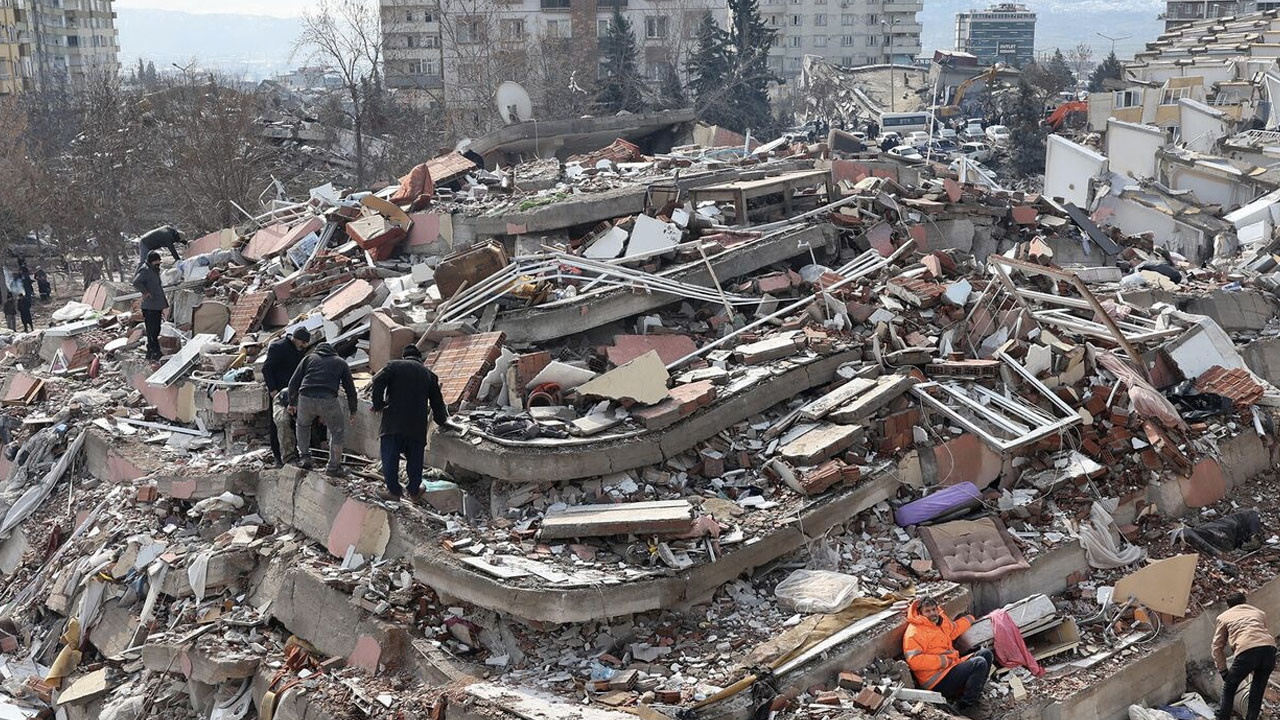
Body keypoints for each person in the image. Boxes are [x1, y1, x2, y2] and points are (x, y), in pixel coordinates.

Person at [370, 344, 455, 502]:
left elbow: (377, 380)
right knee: (415, 460)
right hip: (416, 426)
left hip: (393, 423)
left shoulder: (393, 366)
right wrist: (442, 421)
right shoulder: (429, 375)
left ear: (404, 356)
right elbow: (437, 402)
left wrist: (378, 404)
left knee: (390, 457)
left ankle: (394, 491)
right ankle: (414, 491)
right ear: (420, 359)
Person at [903, 597, 992, 712]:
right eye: (928, 611)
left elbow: (953, 630)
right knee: (979, 663)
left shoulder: (939, 620)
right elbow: (914, 662)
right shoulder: (914, 633)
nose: (932, 613)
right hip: (936, 681)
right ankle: (965, 706)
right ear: (920, 613)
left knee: (986, 654)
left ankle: (970, 695)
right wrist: (944, 661)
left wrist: (970, 618)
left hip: (950, 668)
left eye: (934, 609)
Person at [287, 342, 357, 477]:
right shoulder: (340, 362)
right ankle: (333, 467)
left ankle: (305, 457)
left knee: (302, 426)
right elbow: (350, 390)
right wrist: (352, 411)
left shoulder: (308, 359)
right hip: (328, 399)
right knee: (337, 432)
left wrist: (292, 403)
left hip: (305, 397)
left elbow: (293, 382)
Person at [1214, 591, 1277, 720]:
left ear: (1228, 606)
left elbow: (1217, 647)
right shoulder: (1259, 613)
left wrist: (1223, 670)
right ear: (1244, 602)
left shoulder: (1223, 617)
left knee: (1229, 686)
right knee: (1258, 689)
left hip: (1247, 651)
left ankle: (1223, 717)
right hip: (1269, 650)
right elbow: (1261, 635)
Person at [261, 328, 311, 467]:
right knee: (279, 423)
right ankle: (278, 457)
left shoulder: (299, 351)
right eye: (303, 342)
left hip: (295, 393)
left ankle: (294, 455)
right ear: (295, 338)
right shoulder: (278, 347)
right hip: (279, 394)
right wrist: (273, 389)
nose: (304, 345)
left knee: (296, 424)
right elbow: (267, 368)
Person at [132, 251, 168, 361]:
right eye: (156, 261)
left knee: (156, 329)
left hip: (156, 305)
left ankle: (151, 351)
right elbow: (136, 282)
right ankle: (154, 352)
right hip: (150, 306)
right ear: (152, 261)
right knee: (152, 330)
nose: (158, 263)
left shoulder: (153, 270)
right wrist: (145, 292)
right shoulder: (145, 270)